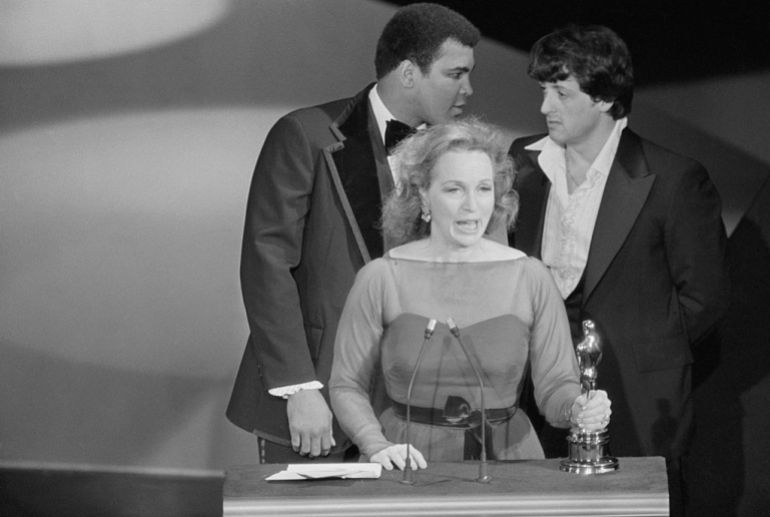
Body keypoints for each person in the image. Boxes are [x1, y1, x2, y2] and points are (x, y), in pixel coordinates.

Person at [226, 3, 481, 464]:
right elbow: (267, 265)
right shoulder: (307, 135)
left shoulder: (459, 155)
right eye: (456, 73)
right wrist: (298, 389)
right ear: (408, 73)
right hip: (318, 400)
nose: (468, 89)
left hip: (417, 407)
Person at [508, 24, 729, 513]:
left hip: (635, 397)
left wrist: (646, 350)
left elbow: (705, 296)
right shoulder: (521, 165)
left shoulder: (673, 178)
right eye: (544, 91)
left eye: (561, 93)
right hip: (531, 396)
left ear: (605, 98)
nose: (545, 107)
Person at [329, 119, 612, 470]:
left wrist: (579, 409)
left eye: (482, 189)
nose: (471, 206)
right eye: (454, 189)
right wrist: (376, 445)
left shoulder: (531, 277)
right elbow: (345, 385)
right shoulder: (380, 278)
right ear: (422, 195)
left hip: (509, 462)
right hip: (406, 465)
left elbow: (557, 389)